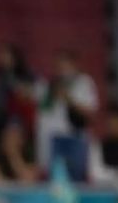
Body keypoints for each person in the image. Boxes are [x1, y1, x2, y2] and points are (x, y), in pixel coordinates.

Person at [37, 50, 98, 180]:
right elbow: (44, 111)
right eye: (59, 66)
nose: (61, 69)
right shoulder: (52, 85)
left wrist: (68, 99)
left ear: (74, 65)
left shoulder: (84, 82)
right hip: (55, 138)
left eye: (64, 65)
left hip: (76, 137)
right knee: (56, 180)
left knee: (77, 178)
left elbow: (89, 112)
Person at [88, 104, 118, 189]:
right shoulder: (98, 147)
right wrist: (117, 177)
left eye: (117, 122)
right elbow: (95, 174)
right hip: (105, 192)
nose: (113, 126)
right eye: (110, 123)